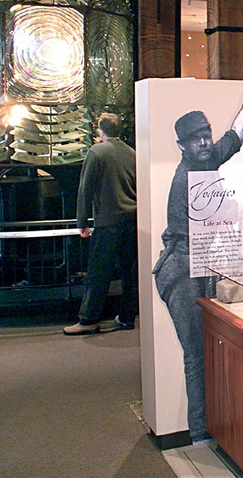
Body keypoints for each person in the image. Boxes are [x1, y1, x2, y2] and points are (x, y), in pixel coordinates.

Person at [152, 78, 243, 444]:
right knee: (197, 354)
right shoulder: (187, 176)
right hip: (180, 270)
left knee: (213, 350)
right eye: (196, 138)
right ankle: (200, 433)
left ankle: (215, 427)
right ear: (181, 146)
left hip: (201, 263)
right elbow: (226, 214)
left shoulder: (208, 157)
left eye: (206, 134)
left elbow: (238, 130)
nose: (204, 142)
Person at [64, 113, 138, 336]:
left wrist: (82, 221)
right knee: (130, 273)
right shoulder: (132, 153)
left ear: (100, 131)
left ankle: (89, 319)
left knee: (98, 271)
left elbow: (85, 189)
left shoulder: (96, 152)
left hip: (108, 222)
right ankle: (126, 317)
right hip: (133, 220)